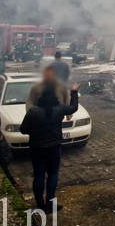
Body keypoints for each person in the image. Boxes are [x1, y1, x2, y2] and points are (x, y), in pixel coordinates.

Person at [21, 81, 80, 212]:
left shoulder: (33, 111)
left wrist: (35, 131)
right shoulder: (59, 110)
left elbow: (23, 129)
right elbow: (73, 107)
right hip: (54, 148)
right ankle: (50, 203)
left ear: (41, 99)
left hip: (36, 148)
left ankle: (40, 205)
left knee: (39, 175)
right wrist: (74, 91)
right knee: (53, 174)